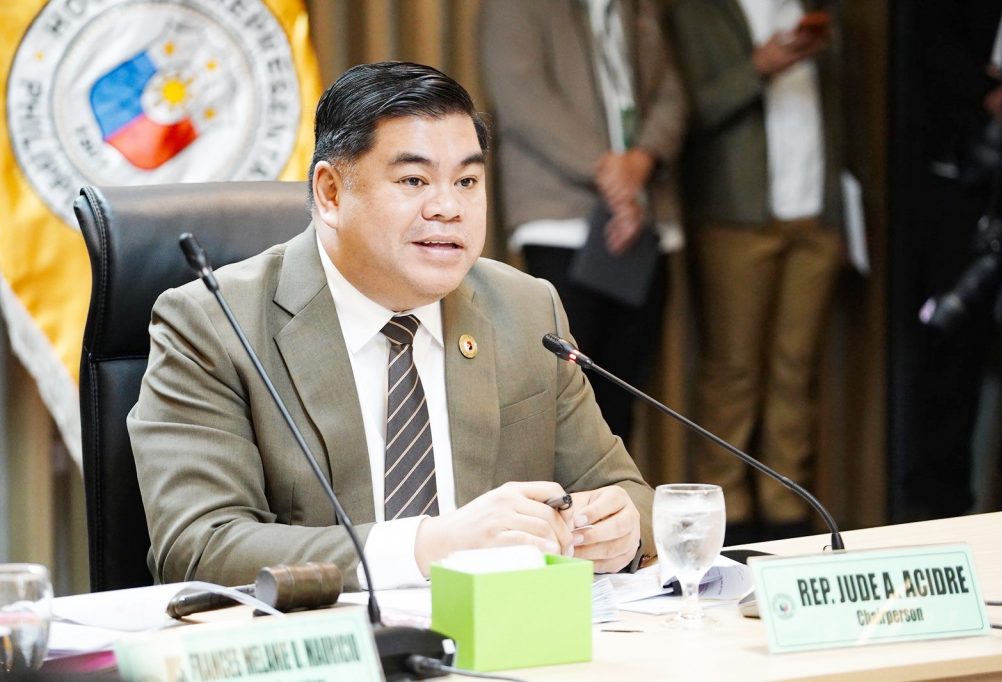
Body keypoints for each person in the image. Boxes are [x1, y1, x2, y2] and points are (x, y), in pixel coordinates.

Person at [127, 62, 654, 590]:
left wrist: (621, 530)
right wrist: (428, 547)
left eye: (467, 181)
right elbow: (200, 548)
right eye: (413, 180)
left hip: (504, 632)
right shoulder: (214, 324)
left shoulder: (526, 309)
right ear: (331, 193)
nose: (448, 207)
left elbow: (628, 495)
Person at [671, 0, 845, 540]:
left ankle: (786, 507)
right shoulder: (700, 12)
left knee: (797, 367)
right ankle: (726, 514)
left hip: (815, 209)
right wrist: (757, 68)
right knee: (733, 371)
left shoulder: (815, 8)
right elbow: (684, 110)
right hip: (736, 213)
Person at [478, 0, 686, 444]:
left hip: (644, 222)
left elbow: (672, 92)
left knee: (622, 398)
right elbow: (524, 96)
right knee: (561, 399)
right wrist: (613, 175)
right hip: (561, 220)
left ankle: (615, 489)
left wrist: (642, 161)